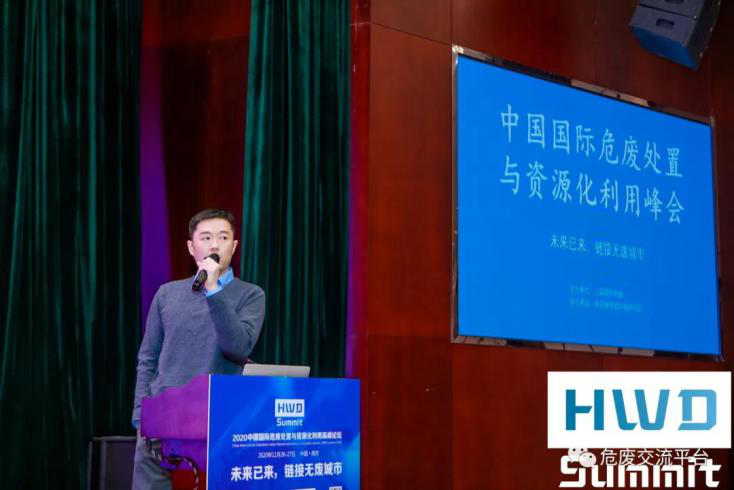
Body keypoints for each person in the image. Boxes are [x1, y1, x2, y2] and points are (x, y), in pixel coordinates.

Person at [131, 209, 265, 489]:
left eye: (223, 238)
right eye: (206, 237)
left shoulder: (251, 294)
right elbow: (148, 357)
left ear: (234, 246)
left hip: (218, 417)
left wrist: (214, 290)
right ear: (192, 247)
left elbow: (238, 347)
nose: (215, 245)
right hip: (162, 416)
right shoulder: (167, 293)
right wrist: (141, 413)